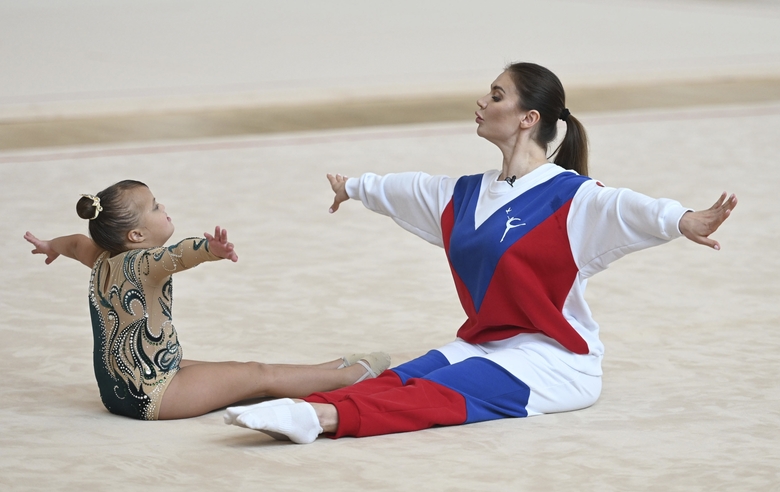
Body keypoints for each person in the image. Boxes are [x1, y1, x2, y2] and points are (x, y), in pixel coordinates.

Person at [223, 62, 737, 444]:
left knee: (432, 396)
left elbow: (625, 207)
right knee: (402, 376)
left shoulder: (572, 198)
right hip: (486, 342)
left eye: (496, 95)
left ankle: (317, 420)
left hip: (555, 362)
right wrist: (356, 187)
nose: (482, 102)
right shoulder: (463, 194)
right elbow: (411, 189)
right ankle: (303, 404)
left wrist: (684, 219)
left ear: (526, 118)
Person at [24, 180, 390, 421]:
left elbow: (74, 242)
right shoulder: (143, 263)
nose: (162, 205)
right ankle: (352, 377)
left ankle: (329, 369)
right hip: (154, 394)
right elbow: (178, 255)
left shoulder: (102, 258)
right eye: (153, 207)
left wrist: (50, 247)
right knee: (256, 376)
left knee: (237, 369)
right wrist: (210, 250)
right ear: (136, 234)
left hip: (120, 389)